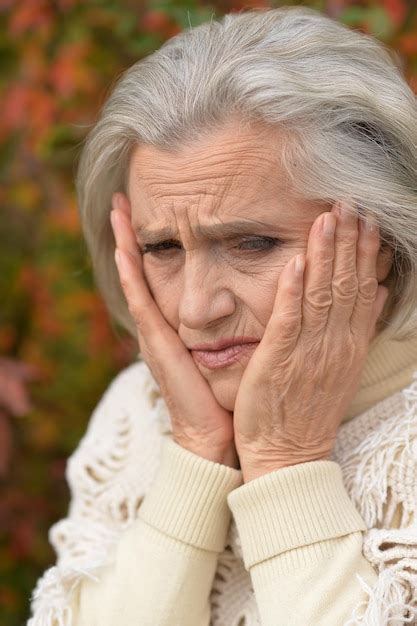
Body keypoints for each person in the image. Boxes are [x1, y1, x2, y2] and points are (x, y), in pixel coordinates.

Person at [27, 6, 417, 625]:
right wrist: (196, 454)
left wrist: (286, 460)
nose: (194, 308)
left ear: (383, 241)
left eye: (252, 243)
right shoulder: (140, 407)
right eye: (162, 249)